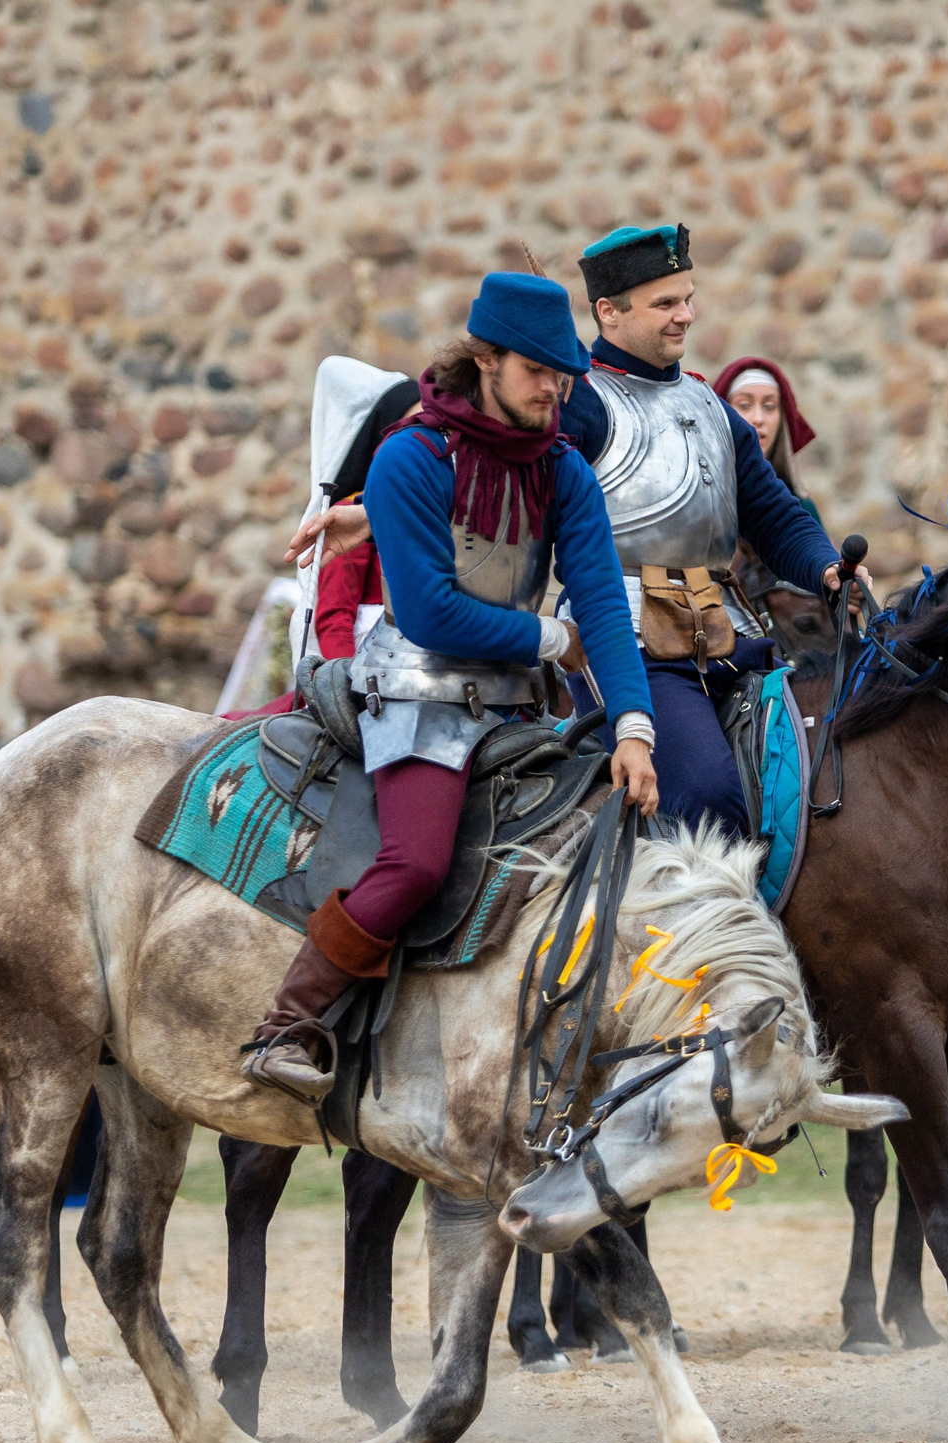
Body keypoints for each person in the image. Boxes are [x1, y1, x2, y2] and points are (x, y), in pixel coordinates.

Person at [240, 272, 659, 1104]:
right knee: (419, 861)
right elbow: (430, 612)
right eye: (538, 370)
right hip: (418, 694)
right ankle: (286, 1025)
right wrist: (551, 637)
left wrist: (636, 726)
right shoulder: (409, 456)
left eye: (564, 373)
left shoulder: (564, 471)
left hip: (518, 703)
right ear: (488, 360)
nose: (556, 389)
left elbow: (604, 602)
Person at [558, 225, 863, 834]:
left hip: (731, 634)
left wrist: (826, 567)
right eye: (666, 303)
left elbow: (774, 514)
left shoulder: (709, 405)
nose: (686, 316)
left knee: (832, 773)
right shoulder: (579, 403)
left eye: (688, 298)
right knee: (706, 795)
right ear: (608, 312)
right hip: (626, 641)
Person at [714, 356, 835, 656]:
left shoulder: (801, 508)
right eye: (744, 405)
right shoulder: (704, 500)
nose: (758, 418)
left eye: (769, 406)